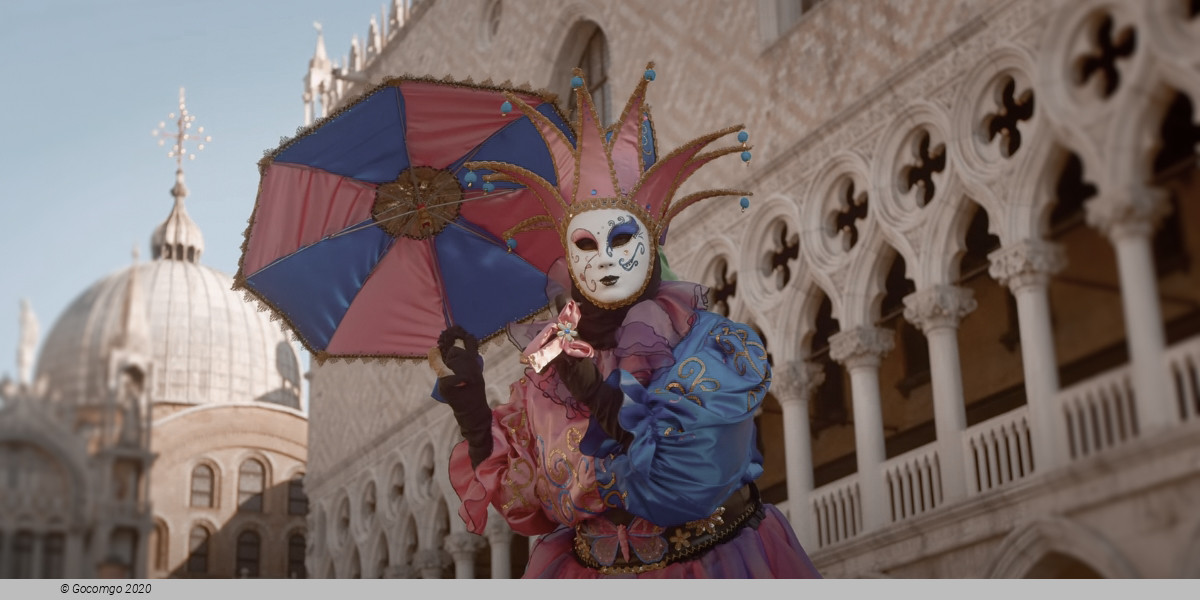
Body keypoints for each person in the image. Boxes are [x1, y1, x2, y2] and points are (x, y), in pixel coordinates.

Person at [433, 63, 821, 578]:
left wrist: (600, 396)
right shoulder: (549, 371)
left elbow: (688, 482)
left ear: (651, 243)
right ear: (568, 261)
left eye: (621, 240)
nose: (605, 260)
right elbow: (528, 504)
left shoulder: (707, 346)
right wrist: (473, 409)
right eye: (586, 246)